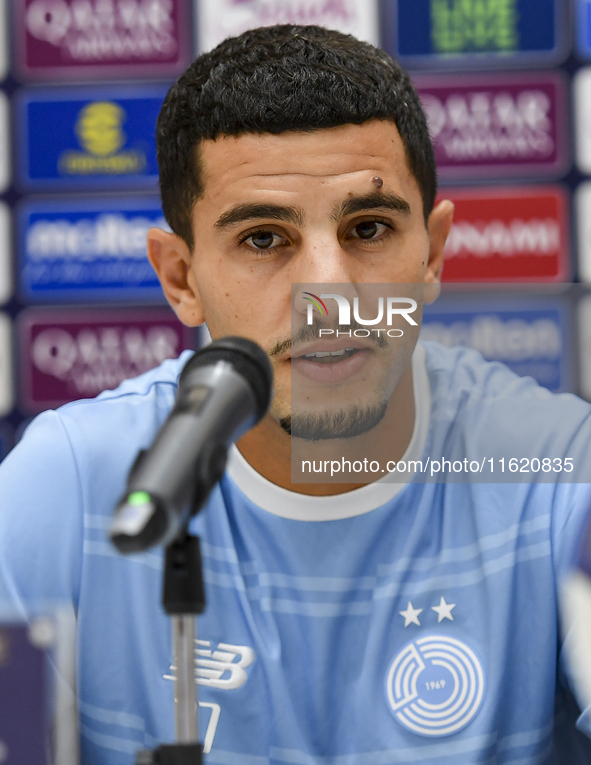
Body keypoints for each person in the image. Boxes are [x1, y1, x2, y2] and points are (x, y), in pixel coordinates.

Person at [2, 24, 591, 765]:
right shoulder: (68, 483)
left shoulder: (560, 474)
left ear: (432, 253)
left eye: (368, 228)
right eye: (262, 238)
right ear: (180, 276)